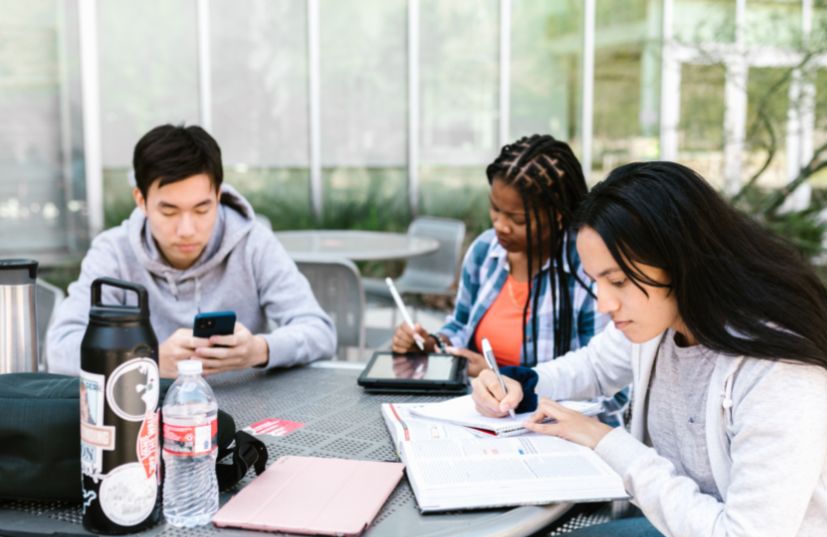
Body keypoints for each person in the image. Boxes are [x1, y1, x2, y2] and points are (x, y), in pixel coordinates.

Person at [467, 161, 827, 537]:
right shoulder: (663, 320)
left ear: (679, 260)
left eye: (616, 280)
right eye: (597, 280)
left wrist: (607, 442)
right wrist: (522, 382)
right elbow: (594, 367)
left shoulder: (777, 369)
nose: (602, 303)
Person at [47, 124, 336, 378]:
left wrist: (259, 350)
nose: (187, 229)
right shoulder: (113, 253)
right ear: (141, 200)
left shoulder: (254, 243)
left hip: (248, 412)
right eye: (169, 211)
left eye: (202, 209)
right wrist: (149, 361)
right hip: (144, 417)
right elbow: (60, 349)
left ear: (218, 195)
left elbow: (319, 331)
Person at [392, 134, 623, 412]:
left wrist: (502, 377)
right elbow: (461, 325)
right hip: (479, 414)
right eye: (495, 210)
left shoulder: (587, 269)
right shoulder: (485, 252)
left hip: (555, 428)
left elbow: (608, 385)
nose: (501, 226)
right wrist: (433, 344)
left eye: (518, 219)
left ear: (558, 214)